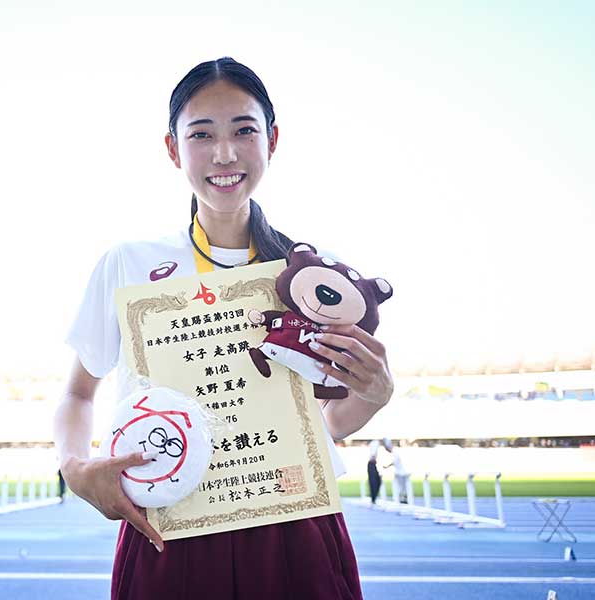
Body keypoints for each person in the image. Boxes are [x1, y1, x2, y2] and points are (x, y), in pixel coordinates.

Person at [53, 57, 395, 599]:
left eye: (243, 130)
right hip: (170, 529)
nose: (225, 154)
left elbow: (323, 425)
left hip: (294, 524)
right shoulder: (128, 263)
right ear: (173, 148)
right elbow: (77, 392)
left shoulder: (313, 272)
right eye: (202, 134)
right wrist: (75, 468)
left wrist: (375, 395)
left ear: (272, 139)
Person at [382, 438, 409, 504]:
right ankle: (402, 498)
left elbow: (394, 462)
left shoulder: (395, 452)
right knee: (401, 487)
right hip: (400, 472)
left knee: (402, 487)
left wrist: (387, 466)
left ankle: (403, 499)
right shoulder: (395, 452)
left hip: (401, 472)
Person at [367, 440, 382, 504]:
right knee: (373, 482)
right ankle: (373, 498)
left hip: (373, 464)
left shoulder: (376, 443)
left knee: (376, 481)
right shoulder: (375, 443)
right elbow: (373, 455)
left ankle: (374, 498)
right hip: (372, 464)